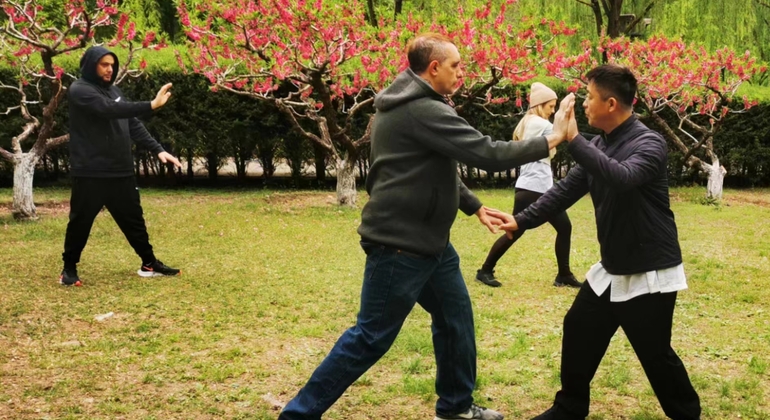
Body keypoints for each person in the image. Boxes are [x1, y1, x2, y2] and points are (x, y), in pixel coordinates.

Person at [277, 33, 576, 420]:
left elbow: (435, 166)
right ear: (433, 68)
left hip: (430, 243)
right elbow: (485, 152)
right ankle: (297, 415)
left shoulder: (412, 103)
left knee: (455, 320)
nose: (461, 74)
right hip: (400, 244)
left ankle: (455, 407)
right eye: (456, 66)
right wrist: (552, 137)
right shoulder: (422, 109)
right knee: (369, 337)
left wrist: (473, 205)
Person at [491, 64, 701, 420]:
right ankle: (570, 407)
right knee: (579, 327)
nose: (585, 104)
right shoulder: (600, 144)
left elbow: (621, 177)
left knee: (654, 353)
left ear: (611, 103)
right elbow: (563, 192)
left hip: (648, 269)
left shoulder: (649, 143)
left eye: (589, 97)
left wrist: (574, 140)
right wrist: (520, 220)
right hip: (614, 266)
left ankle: (687, 414)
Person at [59, 46, 183, 287]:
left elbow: (131, 122)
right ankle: (68, 269)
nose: (109, 69)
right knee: (80, 222)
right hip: (91, 172)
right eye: (104, 64)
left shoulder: (114, 90)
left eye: (112, 64)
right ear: (91, 65)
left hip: (121, 170)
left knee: (134, 220)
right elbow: (109, 110)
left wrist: (158, 149)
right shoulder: (80, 90)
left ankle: (149, 263)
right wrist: (151, 105)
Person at [475, 82, 580, 288]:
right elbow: (566, 132)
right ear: (540, 105)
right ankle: (485, 270)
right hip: (534, 189)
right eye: (550, 107)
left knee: (558, 227)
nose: (552, 112)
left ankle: (564, 275)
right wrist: (567, 108)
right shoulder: (536, 123)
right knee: (518, 230)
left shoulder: (532, 122)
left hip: (535, 187)